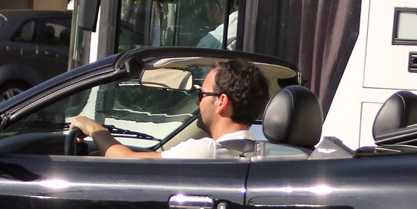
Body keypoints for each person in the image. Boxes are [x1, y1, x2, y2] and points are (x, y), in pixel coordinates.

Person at [70, 58, 269, 159]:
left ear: (221, 102)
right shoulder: (260, 153)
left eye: (202, 95)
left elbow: (128, 160)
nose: (197, 103)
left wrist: (94, 129)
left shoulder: (208, 151)